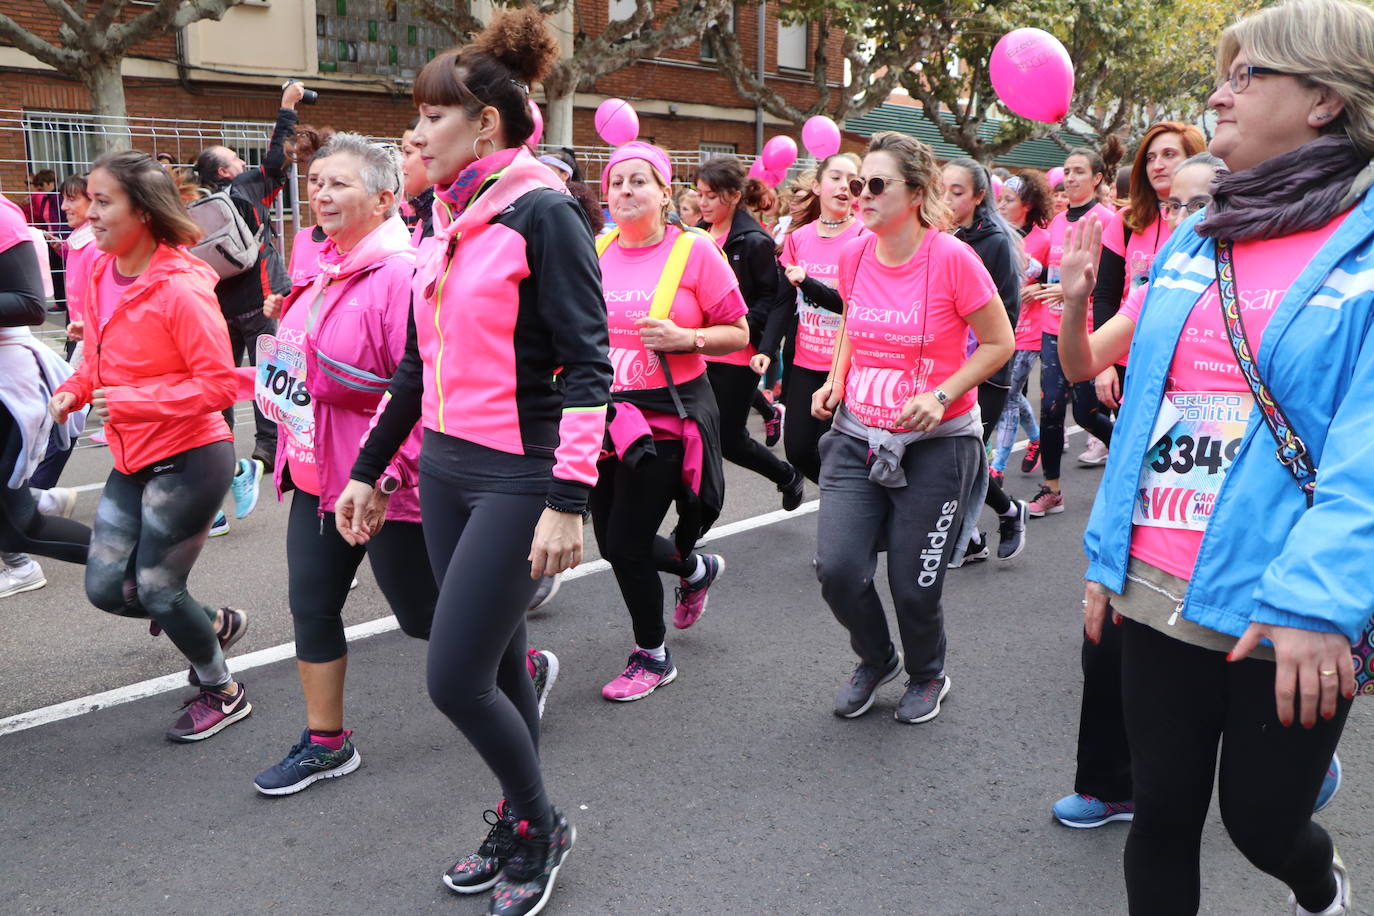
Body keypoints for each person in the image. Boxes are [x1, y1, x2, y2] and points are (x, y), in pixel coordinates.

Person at [1079, 1, 1373, 910]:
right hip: (1157, 578)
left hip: (1287, 601)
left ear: (1324, 97)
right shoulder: (1201, 233)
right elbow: (1149, 414)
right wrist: (1105, 554)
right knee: (1161, 812)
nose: (1219, 94)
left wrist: (1320, 603)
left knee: (1260, 821)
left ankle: (1319, 881)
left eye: (1247, 75)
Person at [334, 11, 606, 913]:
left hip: (519, 476)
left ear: (484, 124)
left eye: (430, 117)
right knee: (493, 667)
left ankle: (540, 822)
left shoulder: (544, 212)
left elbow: (589, 366)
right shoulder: (451, 216)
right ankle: (521, 816)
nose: (413, 134)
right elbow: (420, 364)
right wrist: (370, 469)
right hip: (446, 471)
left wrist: (569, 498)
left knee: (451, 678)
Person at [250, 133, 441, 795]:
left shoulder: (402, 276)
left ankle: (517, 662)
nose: (319, 193)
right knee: (313, 605)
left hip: (385, 485)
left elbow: (420, 392)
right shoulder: (323, 265)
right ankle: (327, 742)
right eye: (316, 182)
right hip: (316, 478)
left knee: (424, 618)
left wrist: (384, 476)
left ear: (386, 197)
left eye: (338, 184)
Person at [1051, 152, 1227, 830]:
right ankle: (1109, 785)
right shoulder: (1157, 287)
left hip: (1234, 501)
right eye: (1175, 206)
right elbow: (1080, 361)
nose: (1185, 218)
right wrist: (1073, 302)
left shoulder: (1274, 288)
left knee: (1223, 651)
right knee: (1108, 638)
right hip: (1154, 487)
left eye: (1202, 203)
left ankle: (1288, 756)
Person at [812, 132, 1014, 724]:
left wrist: (942, 393)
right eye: (856, 185)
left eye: (876, 185)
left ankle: (929, 673)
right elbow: (853, 322)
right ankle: (877, 658)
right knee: (839, 569)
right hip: (855, 435)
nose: (861, 196)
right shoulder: (853, 254)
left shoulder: (952, 258)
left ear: (916, 192)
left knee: (912, 584)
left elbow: (999, 342)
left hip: (937, 444)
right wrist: (833, 378)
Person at [48, 151, 249, 743]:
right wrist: (72, 388)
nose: (88, 215)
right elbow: (99, 360)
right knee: (107, 588)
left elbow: (219, 385)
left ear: (142, 210)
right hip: (133, 456)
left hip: (191, 457)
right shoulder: (98, 271)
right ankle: (211, 623)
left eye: (102, 202)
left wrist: (132, 402)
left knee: (160, 588)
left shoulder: (182, 287)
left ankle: (222, 688)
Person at [592, 141, 747, 701]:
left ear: (663, 192)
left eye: (639, 181)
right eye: (616, 183)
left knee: (628, 543)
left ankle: (651, 656)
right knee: (611, 542)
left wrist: (690, 338)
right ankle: (696, 571)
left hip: (668, 413)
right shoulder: (598, 246)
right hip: (605, 415)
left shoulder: (695, 250)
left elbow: (739, 330)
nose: (626, 191)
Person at [194, 80, 305, 518]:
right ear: (224, 173)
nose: (243, 164)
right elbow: (278, 161)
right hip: (260, 301)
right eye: (236, 161)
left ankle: (216, 461)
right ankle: (262, 457)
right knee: (267, 379)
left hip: (214, 310)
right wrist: (287, 108)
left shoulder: (188, 210)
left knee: (222, 383)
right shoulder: (244, 190)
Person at [696, 156, 804, 510]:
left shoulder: (753, 240)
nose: (703, 202)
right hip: (697, 350)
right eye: (700, 194)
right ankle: (693, 517)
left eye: (711, 195)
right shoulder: (697, 234)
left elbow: (770, 297)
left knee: (729, 440)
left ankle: (786, 475)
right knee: (694, 436)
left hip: (738, 352)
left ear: (732, 195)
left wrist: (740, 327)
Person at [0, 188, 90, 600]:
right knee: (16, 518)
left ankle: (154, 579)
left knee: (20, 526)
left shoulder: (3, 217)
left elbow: (32, 304)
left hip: (7, 385)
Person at [1023, 141, 1121, 517]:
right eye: (1066, 171)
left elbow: (1111, 283)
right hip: (1053, 328)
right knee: (1049, 409)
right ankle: (1051, 490)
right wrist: (1034, 286)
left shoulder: (1108, 221)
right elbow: (1046, 270)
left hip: (1089, 331)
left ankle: (1129, 457)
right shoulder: (1056, 222)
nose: (1071, 177)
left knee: (1084, 414)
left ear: (1097, 178)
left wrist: (1067, 291)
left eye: (1079, 171)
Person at [942, 157, 1029, 562]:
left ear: (979, 196)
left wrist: (971, 360)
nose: (946, 199)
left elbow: (1004, 317)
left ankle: (1007, 513)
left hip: (984, 371)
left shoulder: (992, 241)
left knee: (965, 458)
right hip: (943, 365)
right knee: (954, 459)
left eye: (956, 192)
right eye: (941, 189)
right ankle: (976, 535)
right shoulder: (941, 233)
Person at [1088, 122, 1207, 417]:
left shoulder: (1214, 218)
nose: (1158, 165)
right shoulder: (1125, 221)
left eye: (1169, 154)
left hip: (1190, 365)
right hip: (1129, 360)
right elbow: (1105, 297)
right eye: (1151, 158)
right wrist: (1104, 364)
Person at [760, 153, 863, 484]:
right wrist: (765, 348)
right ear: (818, 186)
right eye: (835, 177)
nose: (844, 186)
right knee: (800, 451)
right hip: (805, 362)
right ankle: (844, 498)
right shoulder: (797, 238)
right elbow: (783, 301)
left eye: (852, 180)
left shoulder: (865, 239)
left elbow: (852, 308)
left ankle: (856, 512)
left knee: (841, 451)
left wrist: (808, 282)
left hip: (849, 364)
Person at [992, 170, 1054, 482]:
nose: (1000, 205)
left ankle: (997, 467)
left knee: (1007, 394)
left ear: (1026, 204)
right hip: (1002, 327)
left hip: (1031, 329)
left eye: (1009, 199)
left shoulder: (1044, 238)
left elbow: (1056, 281)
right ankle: (1036, 437)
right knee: (1011, 394)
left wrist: (1040, 284)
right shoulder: (998, 234)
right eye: (999, 198)